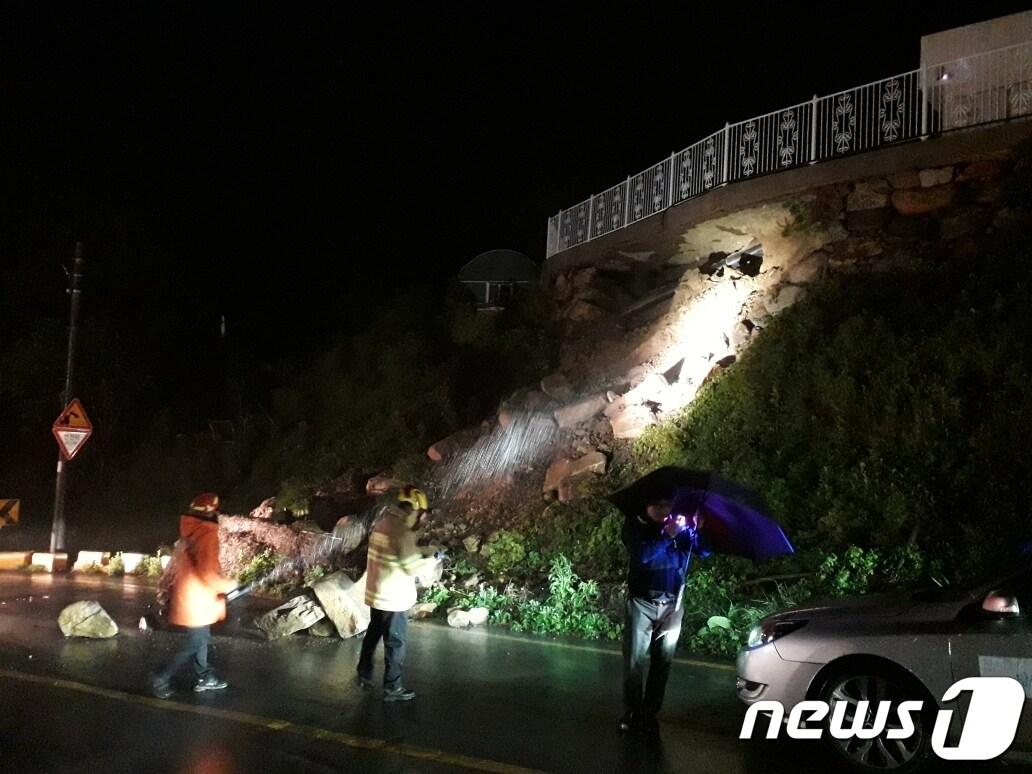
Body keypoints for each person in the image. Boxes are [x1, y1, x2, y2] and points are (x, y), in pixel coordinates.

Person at [619, 494, 708, 734]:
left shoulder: (680, 527)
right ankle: (632, 711)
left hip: (672, 605)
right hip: (642, 602)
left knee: (662, 663)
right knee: (634, 662)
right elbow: (643, 556)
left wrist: (698, 530)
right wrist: (667, 535)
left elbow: (703, 551)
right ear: (646, 505)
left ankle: (649, 714)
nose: (664, 508)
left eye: (667, 504)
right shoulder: (636, 526)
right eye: (658, 503)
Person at [356, 486, 441, 702]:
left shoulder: (383, 524)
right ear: (414, 510)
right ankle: (393, 687)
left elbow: (399, 550)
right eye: (421, 513)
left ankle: (363, 674)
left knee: (373, 635)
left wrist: (422, 549)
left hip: (376, 594)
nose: (422, 518)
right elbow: (412, 567)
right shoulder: (402, 533)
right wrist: (434, 559)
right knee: (396, 643)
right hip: (393, 599)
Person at [150, 492, 237, 699]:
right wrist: (229, 585)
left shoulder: (190, 532)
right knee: (195, 642)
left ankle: (204, 675)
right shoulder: (206, 533)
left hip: (192, 597)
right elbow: (207, 572)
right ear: (211, 512)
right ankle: (162, 677)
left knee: (202, 638)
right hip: (198, 599)